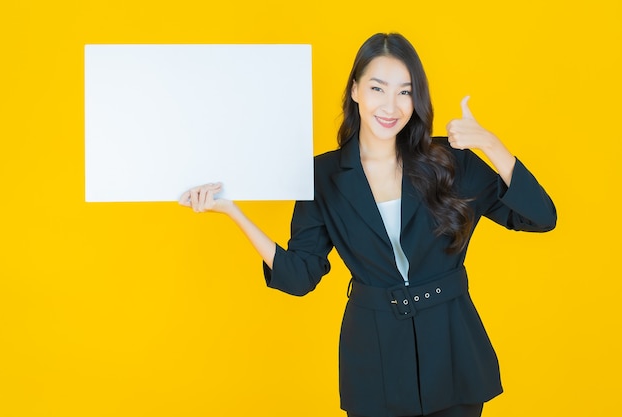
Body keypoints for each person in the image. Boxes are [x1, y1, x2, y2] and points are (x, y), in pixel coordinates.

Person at [179, 33, 556, 417]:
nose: (390, 106)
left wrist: (491, 145)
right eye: (378, 88)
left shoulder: (448, 161)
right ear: (356, 90)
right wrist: (233, 212)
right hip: (374, 359)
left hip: (453, 349)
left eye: (404, 92)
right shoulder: (322, 176)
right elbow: (299, 277)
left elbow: (541, 217)